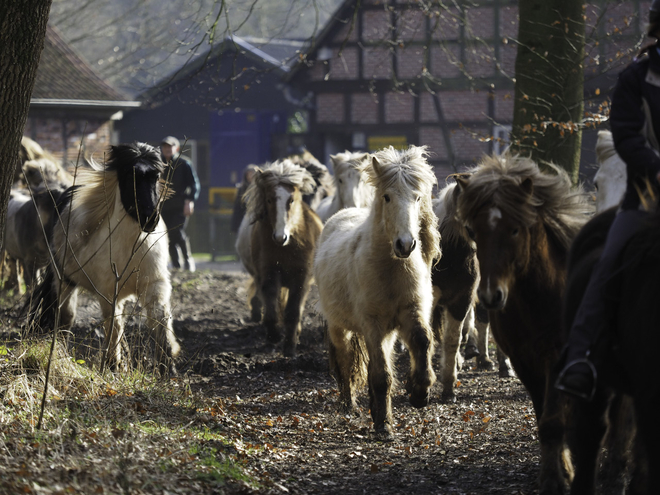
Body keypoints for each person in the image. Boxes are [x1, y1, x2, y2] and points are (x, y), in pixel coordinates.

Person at [555, 0, 660, 400]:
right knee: (607, 265)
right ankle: (580, 356)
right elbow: (628, 137)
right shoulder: (635, 78)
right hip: (646, 198)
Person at [160, 136, 200, 272]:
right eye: (165, 146)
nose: (167, 149)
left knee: (176, 231)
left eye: (170, 146)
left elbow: (194, 184)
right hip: (163, 207)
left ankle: (188, 259)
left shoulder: (184, 164)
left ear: (176, 148)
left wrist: (190, 201)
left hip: (180, 206)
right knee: (167, 235)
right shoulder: (157, 164)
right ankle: (176, 265)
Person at [230, 164, 258, 234]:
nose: (251, 176)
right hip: (244, 222)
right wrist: (235, 226)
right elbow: (237, 209)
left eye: (253, 174)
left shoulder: (260, 189)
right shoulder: (242, 189)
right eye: (249, 174)